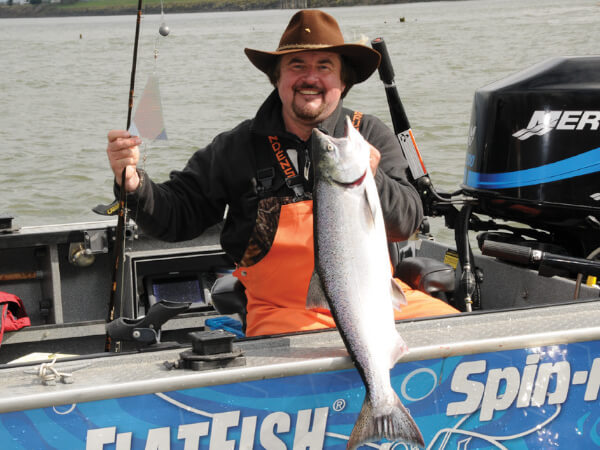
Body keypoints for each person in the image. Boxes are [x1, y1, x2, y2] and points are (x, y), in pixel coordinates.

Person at [106, 9, 458, 336]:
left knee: (461, 334)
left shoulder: (368, 134)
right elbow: (178, 215)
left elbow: (408, 221)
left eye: (324, 66)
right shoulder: (237, 146)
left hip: (377, 302)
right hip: (283, 314)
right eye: (296, 65)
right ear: (277, 78)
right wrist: (134, 184)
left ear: (343, 81)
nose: (310, 77)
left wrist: (374, 179)